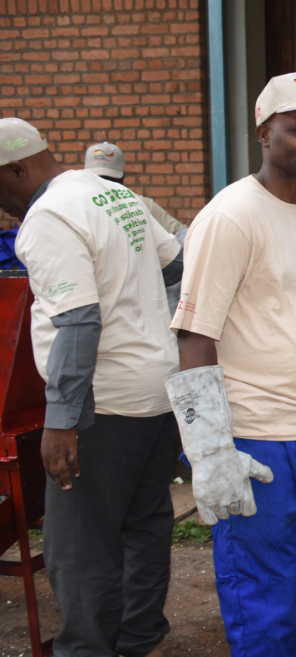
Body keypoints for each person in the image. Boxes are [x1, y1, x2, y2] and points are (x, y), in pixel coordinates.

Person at [165, 72, 296, 655]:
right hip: (256, 440)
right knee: (261, 596)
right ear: (263, 131)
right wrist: (210, 451)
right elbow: (195, 336)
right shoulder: (231, 217)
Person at [5, 117, 182, 657]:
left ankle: (87, 649)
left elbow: (78, 320)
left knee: (79, 548)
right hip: (157, 392)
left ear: (15, 168)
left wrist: (61, 420)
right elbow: (176, 267)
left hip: (103, 406)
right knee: (145, 524)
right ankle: (139, 637)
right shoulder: (108, 193)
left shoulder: (48, 217)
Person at [84, 141, 188, 312]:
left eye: (110, 180)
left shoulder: (141, 204)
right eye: (99, 180)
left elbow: (183, 245)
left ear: (122, 179)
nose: (105, 187)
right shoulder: (80, 210)